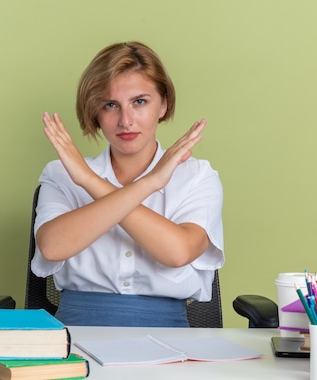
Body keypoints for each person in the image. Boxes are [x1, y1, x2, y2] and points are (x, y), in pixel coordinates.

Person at [32, 41, 224, 327]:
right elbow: (52, 247)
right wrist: (149, 184)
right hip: (76, 331)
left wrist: (90, 181)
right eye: (110, 105)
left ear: (164, 104)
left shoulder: (198, 177)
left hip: (168, 334)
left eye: (140, 102)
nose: (125, 120)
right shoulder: (62, 173)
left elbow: (178, 252)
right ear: (95, 112)